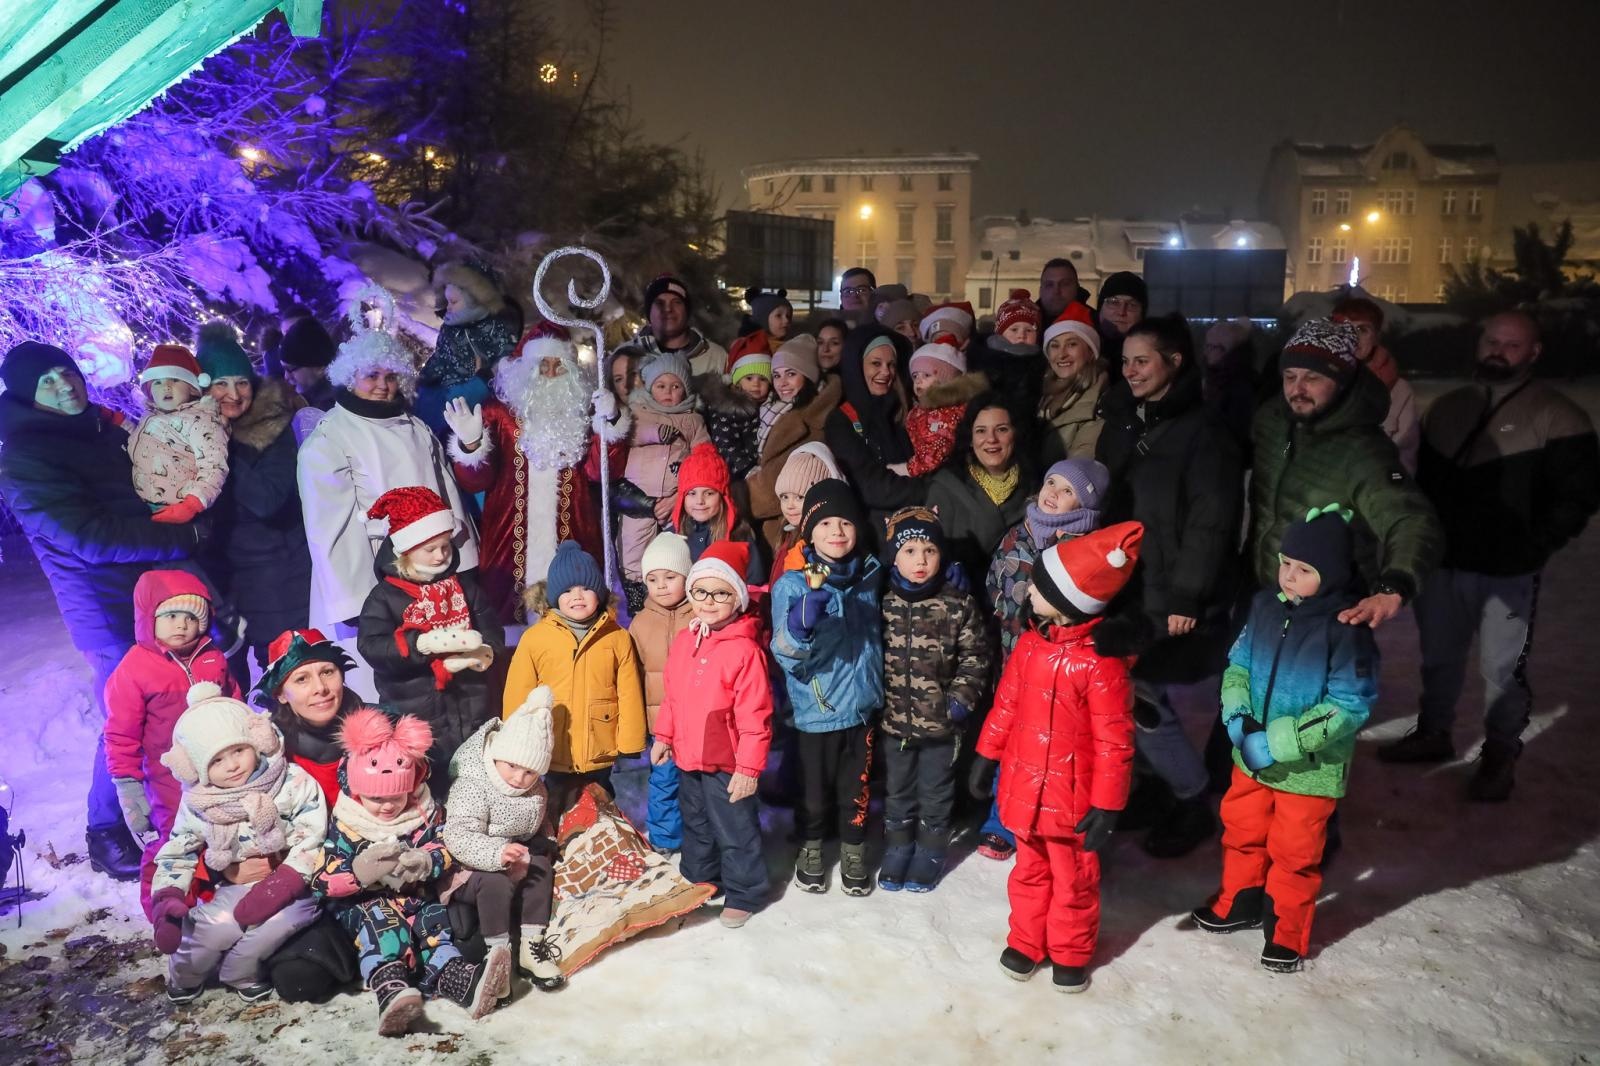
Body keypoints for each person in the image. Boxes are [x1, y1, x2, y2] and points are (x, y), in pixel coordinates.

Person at [0, 342, 203, 881]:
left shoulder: (102, 430)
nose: (63, 385)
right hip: (103, 604)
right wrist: (182, 537)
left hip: (147, 590)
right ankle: (105, 829)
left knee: (169, 704)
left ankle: (171, 809)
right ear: (26, 395)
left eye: (65, 372)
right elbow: (87, 537)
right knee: (127, 714)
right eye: (46, 381)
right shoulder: (25, 457)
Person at [1380, 310, 1600, 799]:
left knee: (1503, 669)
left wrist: (1533, 544)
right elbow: (1423, 481)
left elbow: (1578, 495)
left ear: (1534, 352)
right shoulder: (1449, 408)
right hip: (1444, 563)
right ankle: (1434, 731)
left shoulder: (1559, 416)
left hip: (1507, 570)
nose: (1498, 351)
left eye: (1512, 344)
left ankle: (1500, 754)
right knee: (1439, 657)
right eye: (1492, 341)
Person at [1194, 505, 1377, 973]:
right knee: (1242, 829)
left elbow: (1349, 704)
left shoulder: (1346, 629)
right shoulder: (1264, 607)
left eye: (1304, 569)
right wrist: (1238, 717)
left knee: (1295, 851)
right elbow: (1238, 664)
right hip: (1250, 755)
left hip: (1309, 770)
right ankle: (1239, 900)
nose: (1289, 576)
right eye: (1286, 563)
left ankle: (1286, 931)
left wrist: (1279, 743)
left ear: (1332, 575)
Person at [969, 523, 1143, 993]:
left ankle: (1070, 951)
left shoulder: (1101, 665)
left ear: (1068, 602)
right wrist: (987, 753)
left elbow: (1114, 740)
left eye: (1040, 588)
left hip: (1073, 799)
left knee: (1074, 880)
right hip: (1025, 787)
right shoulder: (1030, 645)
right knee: (1029, 871)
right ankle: (1026, 941)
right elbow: (1006, 706)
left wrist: (1108, 803)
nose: (1029, 592)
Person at [1097, 313, 1243, 859]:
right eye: (1126, 361)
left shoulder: (1203, 433)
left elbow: (1212, 519)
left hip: (1168, 588)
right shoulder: (1126, 421)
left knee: (1143, 695)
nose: (1131, 370)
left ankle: (1190, 797)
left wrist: (1188, 594)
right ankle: (1157, 786)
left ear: (1175, 362)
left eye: (1143, 360)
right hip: (1127, 582)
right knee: (1127, 691)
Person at [314, 708, 509, 1033]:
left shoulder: (425, 812)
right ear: (358, 791)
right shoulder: (348, 822)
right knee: (382, 927)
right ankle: (391, 989)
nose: (388, 805)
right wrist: (358, 874)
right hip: (366, 904)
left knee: (434, 926)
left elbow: (447, 845)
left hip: (415, 897)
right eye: (377, 798)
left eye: (397, 796)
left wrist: (426, 861)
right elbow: (322, 879)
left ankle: (461, 980)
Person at [297, 287, 479, 633]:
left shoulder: (416, 428)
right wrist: (359, 601)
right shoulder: (329, 439)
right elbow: (332, 529)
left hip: (435, 570)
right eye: (371, 376)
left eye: (391, 376)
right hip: (380, 581)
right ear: (350, 377)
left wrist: (463, 561)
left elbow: (448, 495)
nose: (383, 385)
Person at [1250, 318, 1442, 632]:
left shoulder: (1363, 450)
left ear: (1342, 380)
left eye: (1312, 377)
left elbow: (1410, 518)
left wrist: (1394, 585)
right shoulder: (1273, 422)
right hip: (1270, 597)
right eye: (1290, 376)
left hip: (1329, 610)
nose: (1297, 389)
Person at [149, 683, 327, 1004]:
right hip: (236, 884)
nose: (232, 765)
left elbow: (312, 833)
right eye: (216, 760)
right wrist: (167, 895)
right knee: (218, 924)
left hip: (293, 881)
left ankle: (240, 971)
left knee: (281, 922)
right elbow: (179, 849)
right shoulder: (199, 803)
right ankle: (185, 974)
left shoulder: (290, 781)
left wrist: (286, 881)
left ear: (257, 742)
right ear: (196, 767)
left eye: (238, 751)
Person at [444, 330, 628, 624]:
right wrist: (471, 444)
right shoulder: (499, 413)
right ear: (527, 369)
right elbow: (475, 481)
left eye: (560, 366)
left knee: (576, 624)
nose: (551, 373)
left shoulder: (583, 412)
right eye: (543, 365)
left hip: (574, 539)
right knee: (511, 632)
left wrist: (611, 423)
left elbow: (601, 471)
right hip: (509, 547)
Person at [979, 459, 1113, 861]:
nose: (1053, 493)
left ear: (1085, 506)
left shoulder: (1088, 550)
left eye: (1067, 490)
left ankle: (1053, 823)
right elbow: (994, 585)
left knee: (1051, 748)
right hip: (1012, 659)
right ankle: (1000, 820)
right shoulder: (1016, 535)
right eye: (1051, 482)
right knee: (1012, 741)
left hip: (1062, 670)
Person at [652, 540, 775, 929]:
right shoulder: (686, 640)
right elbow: (672, 696)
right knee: (697, 823)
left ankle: (745, 890)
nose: (708, 601)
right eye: (701, 591)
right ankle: (701, 879)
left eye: (720, 593)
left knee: (734, 827)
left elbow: (756, 717)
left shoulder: (745, 651)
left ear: (737, 598)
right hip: (688, 755)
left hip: (727, 762)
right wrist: (664, 736)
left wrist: (748, 769)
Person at [770, 480, 884, 896]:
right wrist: (798, 626)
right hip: (816, 712)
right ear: (809, 532)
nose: (837, 531)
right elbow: (784, 653)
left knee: (857, 791)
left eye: (846, 523)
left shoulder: (871, 576)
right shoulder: (792, 586)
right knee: (814, 794)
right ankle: (812, 847)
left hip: (862, 709)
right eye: (825, 523)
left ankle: (854, 849)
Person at [104, 571, 242, 916]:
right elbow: (121, 733)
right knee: (174, 841)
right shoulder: (135, 669)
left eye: (191, 617)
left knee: (221, 830)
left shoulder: (213, 658)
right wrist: (128, 784)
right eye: (170, 615)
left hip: (218, 767)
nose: (181, 625)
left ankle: (212, 897)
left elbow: (233, 702)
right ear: (149, 618)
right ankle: (165, 908)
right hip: (166, 779)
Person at [356, 486, 505, 789]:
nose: (440, 556)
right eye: (430, 549)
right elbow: (371, 645)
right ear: (406, 550)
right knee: (429, 782)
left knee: (477, 780)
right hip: (417, 711)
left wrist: (485, 652)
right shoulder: (384, 597)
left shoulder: (465, 588)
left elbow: (491, 631)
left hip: (472, 704)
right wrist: (420, 645)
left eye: (445, 547)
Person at [877, 508, 989, 893]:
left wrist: (960, 699)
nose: (921, 560)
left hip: (941, 725)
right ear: (894, 557)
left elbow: (976, 655)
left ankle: (930, 851)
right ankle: (898, 847)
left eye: (930, 550)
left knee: (936, 792)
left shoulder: (957, 603)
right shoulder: (883, 601)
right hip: (895, 723)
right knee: (898, 791)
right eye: (909, 551)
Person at [249, 628, 364, 1002]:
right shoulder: (264, 756)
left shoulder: (375, 727)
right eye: (302, 679)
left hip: (372, 874)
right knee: (300, 979)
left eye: (327, 672)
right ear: (281, 693)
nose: (321, 688)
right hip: (305, 883)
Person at [501, 541, 647, 817]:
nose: (577, 596)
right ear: (554, 596)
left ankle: (600, 839)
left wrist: (629, 742)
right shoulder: (535, 638)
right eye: (567, 590)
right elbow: (518, 691)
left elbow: (629, 693)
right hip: (552, 744)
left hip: (599, 745)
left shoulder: (616, 637)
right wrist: (514, 738)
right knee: (553, 803)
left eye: (586, 588)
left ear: (599, 594)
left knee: (601, 804)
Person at [200, 338, 312, 682]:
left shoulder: (273, 425)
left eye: (242, 382)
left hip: (276, 572)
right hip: (221, 577)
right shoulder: (188, 433)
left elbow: (267, 499)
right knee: (228, 677)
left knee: (285, 668)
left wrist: (221, 446)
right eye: (221, 383)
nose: (234, 394)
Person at [441, 687, 566, 989]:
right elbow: (458, 834)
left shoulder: (535, 790)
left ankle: (531, 946)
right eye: (512, 766)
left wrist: (545, 841)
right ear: (497, 754)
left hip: (513, 857)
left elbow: (537, 823)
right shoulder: (473, 784)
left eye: (530, 772)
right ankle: (497, 953)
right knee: (494, 882)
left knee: (540, 867)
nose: (519, 779)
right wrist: (496, 854)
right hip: (469, 868)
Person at [620, 352, 710, 602]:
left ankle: (681, 592)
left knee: (678, 547)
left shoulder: (693, 420)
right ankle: (637, 595)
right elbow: (626, 434)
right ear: (650, 388)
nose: (668, 392)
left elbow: (703, 457)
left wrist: (681, 495)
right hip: (638, 497)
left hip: (675, 498)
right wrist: (654, 433)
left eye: (676, 386)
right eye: (661, 386)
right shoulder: (638, 412)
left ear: (686, 389)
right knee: (633, 545)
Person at [629, 532, 696, 854]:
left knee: (696, 784)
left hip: (698, 723)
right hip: (660, 726)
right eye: (653, 579)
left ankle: (700, 837)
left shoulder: (701, 616)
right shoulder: (640, 623)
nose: (662, 586)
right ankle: (666, 839)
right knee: (663, 781)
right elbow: (633, 676)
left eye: (670, 577)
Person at [746, 334, 842, 549]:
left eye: (791, 374)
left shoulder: (814, 419)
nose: (782, 383)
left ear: (808, 375)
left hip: (792, 528)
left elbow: (775, 486)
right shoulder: (773, 411)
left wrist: (739, 493)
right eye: (776, 375)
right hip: (772, 526)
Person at [926, 397, 1034, 585]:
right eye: (981, 431)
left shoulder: (1036, 487)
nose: (991, 439)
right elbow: (927, 551)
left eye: (1001, 429)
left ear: (1015, 434)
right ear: (970, 439)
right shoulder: (946, 487)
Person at [126, 341, 229, 524]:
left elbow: (214, 466)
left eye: (174, 380)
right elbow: (143, 442)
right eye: (158, 382)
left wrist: (191, 505)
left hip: (182, 510)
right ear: (150, 391)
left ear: (192, 388)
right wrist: (119, 421)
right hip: (145, 505)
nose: (166, 386)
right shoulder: (150, 416)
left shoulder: (200, 420)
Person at [416, 259, 519, 437]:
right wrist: (426, 377)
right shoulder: (449, 329)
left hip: (478, 403)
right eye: (447, 301)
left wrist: (485, 377)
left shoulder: (496, 329)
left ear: (475, 301)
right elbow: (440, 356)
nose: (448, 307)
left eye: (453, 302)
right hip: (441, 396)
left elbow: (505, 361)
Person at [1331, 297, 1420, 473]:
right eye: (1345, 329)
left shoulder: (1399, 390)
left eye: (1362, 330)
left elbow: (1404, 459)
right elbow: (1288, 442)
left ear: (1376, 336)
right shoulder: (1312, 381)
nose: (1353, 337)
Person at [825, 325, 913, 488]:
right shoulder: (840, 421)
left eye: (891, 364)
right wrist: (929, 489)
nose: (886, 372)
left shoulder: (903, 414)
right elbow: (871, 485)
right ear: (857, 368)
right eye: (876, 363)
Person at [671, 442, 768, 585]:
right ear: (682, 498)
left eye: (709, 493)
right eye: (692, 493)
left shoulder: (739, 535)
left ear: (723, 497)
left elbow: (755, 584)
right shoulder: (672, 537)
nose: (700, 501)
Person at [1038, 303, 1108, 464]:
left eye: (1072, 344)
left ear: (1090, 352)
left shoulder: (1099, 403)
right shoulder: (1041, 394)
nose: (1061, 354)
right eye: (1055, 346)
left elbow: (1080, 464)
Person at [905, 342, 988, 477]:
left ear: (946, 380)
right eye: (915, 376)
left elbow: (938, 449)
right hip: (927, 474)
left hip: (947, 475)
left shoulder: (948, 413)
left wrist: (907, 469)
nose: (918, 381)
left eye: (926, 375)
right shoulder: (918, 411)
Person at [767, 442, 845, 584]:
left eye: (799, 497)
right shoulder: (787, 532)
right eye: (785, 497)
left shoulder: (824, 542)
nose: (790, 505)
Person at [636, 274, 729, 380]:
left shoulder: (716, 357)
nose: (668, 309)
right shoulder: (629, 358)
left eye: (676, 302)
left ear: (686, 311)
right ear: (649, 312)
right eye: (659, 303)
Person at [974, 289, 1047, 418]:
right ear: (1000, 334)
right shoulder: (986, 365)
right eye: (1014, 329)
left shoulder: (1044, 368)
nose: (1021, 336)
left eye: (1029, 330)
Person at [702, 350, 769, 479]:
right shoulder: (726, 408)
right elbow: (724, 443)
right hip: (735, 472)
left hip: (759, 466)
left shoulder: (766, 406)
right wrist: (746, 468)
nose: (756, 384)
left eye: (763, 379)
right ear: (737, 381)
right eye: (749, 378)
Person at [1200, 317, 1259, 459]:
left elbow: (1236, 431)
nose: (1207, 352)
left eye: (1214, 347)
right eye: (1207, 346)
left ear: (1228, 350)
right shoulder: (1214, 378)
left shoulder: (1239, 386)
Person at [276, 314, 338, 415]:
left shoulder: (330, 411)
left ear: (319, 368)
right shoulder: (306, 403)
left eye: (290, 369)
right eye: (284, 369)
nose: (286, 377)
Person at [1096, 271, 1146, 366]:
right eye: (1114, 302)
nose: (1121, 312)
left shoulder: (1152, 353)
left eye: (1132, 305)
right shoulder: (1080, 346)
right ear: (1100, 306)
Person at [1037, 257, 1093, 322]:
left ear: (1077, 288)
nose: (1056, 291)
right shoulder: (1028, 322)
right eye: (1049, 285)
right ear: (1040, 290)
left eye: (1065, 284)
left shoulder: (1096, 323)